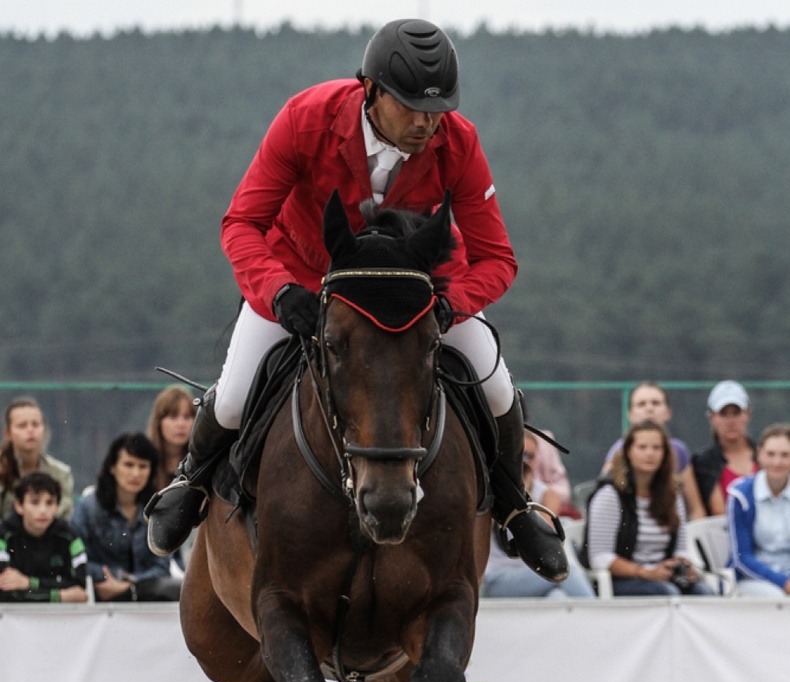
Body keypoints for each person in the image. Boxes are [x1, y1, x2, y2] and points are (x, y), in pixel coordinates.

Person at [146, 18, 568, 584]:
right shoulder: (306, 118)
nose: (426, 123)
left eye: (437, 109)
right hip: (305, 280)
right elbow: (242, 223)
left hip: (418, 297)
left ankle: (515, 507)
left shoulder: (458, 141)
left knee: (496, 389)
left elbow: (497, 258)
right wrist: (279, 291)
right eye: (412, 107)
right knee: (232, 399)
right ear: (370, 90)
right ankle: (191, 480)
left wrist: (451, 303)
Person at [585, 420, 713, 597]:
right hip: (622, 579)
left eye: (657, 448)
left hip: (663, 576)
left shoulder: (672, 495)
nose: (650, 453)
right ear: (628, 452)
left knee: (703, 592)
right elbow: (599, 558)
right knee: (667, 592)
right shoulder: (610, 495)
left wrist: (683, 565)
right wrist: (645, 572)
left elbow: (681, 548)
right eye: (642, 447)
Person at [71, 433, 181, 603]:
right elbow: (75, 557)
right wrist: (108, 576)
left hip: (148, 595)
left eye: (143, 466)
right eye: (128, 465)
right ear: (112, 467)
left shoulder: (158, 510)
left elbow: (162, 565)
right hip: (98, 595)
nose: (135, 473)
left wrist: (130, 585)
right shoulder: (88, 507)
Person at [483, 432, 594, 598]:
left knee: (557, 597)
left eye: (530, 456)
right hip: (499, 576)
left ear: (538, 459)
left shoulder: (548, 495)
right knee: (565, 574)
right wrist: (514, 491)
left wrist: (525, 494)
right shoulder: (490, 492)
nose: (525, 461)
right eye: (520, 454)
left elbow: (541, 539)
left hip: (537, 572)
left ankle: (591, 612)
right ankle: (596, 611)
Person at [602, 382, 706, 520]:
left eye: (656, 403)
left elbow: (696, 509)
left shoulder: (679, 450)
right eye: (641, 404)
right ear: (630, 414)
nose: (649, 408)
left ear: (668, 412)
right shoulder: (619, 450)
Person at [0, 472, 88, 603]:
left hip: (60, 615)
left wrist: (29, 583)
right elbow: (5, 593)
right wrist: (60, 595)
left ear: (57, 506)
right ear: (19, 506)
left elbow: (79, 590)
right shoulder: (4, 536)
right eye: (34, 502)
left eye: (49, 503)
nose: (43, 510)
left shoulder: (69, 537)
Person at [727, 423, 790, 599]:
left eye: (785, 455)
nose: (777, 462)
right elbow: (741, 557)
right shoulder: (740, 494)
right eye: (771, 454)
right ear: (759, 454)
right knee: (777, 598)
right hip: (752, 578)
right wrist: (783, 582)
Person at [0, 397, 74, 520]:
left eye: (35, 424)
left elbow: (63, 517)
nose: (30, 430)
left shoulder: (61, 474)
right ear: (8, 433)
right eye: (22, 426)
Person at [692, 381, 757, 516]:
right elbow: (718, 512)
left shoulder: (768, 456)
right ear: (711, 417)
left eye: (736, 413)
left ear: (747, 415)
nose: (731, 421)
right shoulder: (703, 464)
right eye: (723, 414)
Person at [146, 384, 197, 492]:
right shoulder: (144, 463)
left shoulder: (201, 465)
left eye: (187, 417)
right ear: (159, 422)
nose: (181, 424)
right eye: (173, 417)